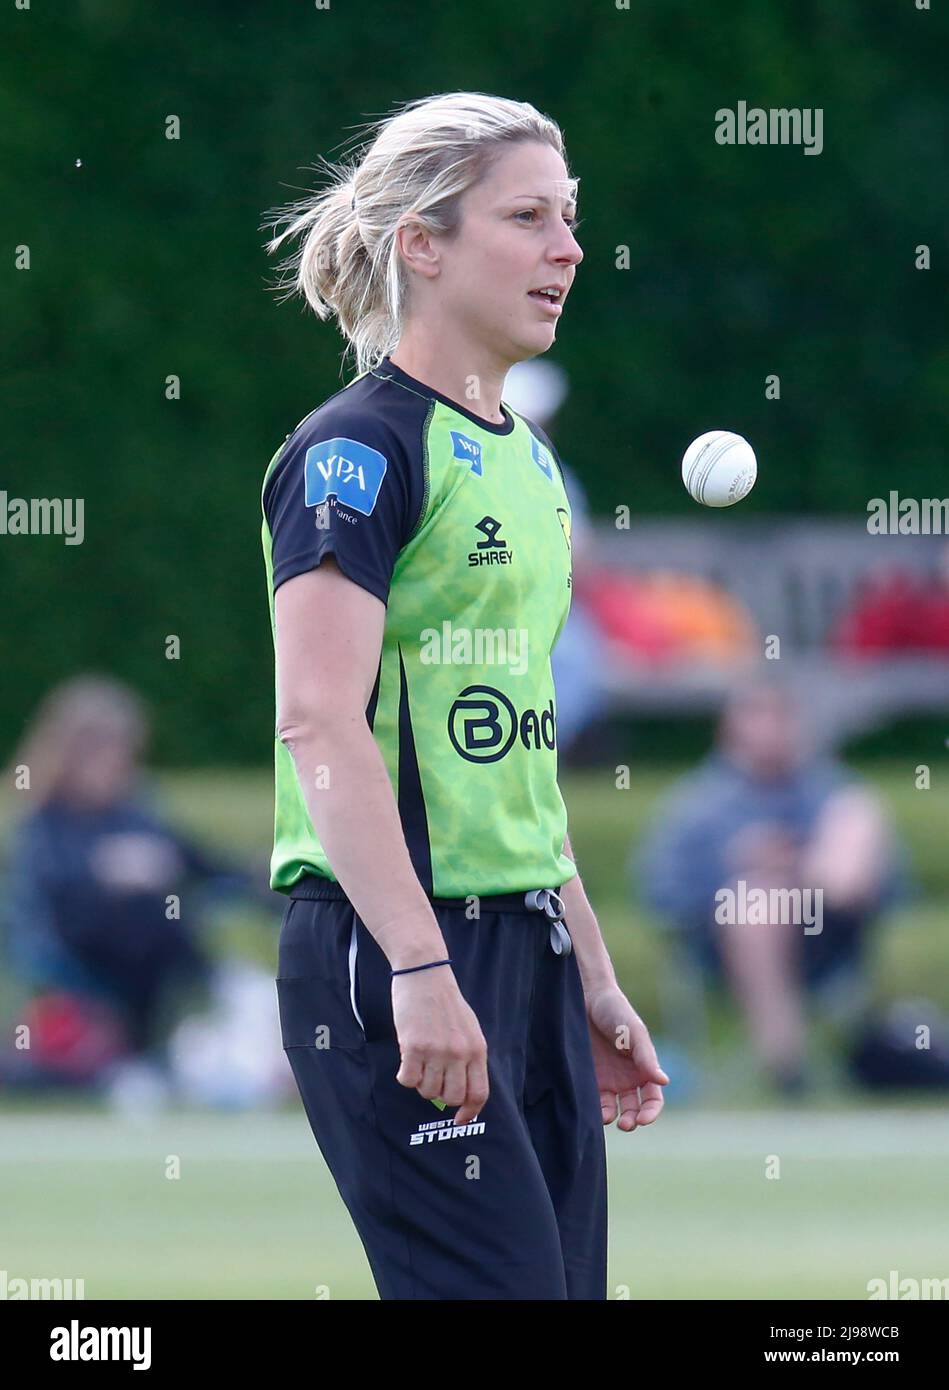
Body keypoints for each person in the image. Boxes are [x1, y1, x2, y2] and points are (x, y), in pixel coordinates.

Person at [261, 91, 667, 1302]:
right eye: (530, 217)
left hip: (524, 954)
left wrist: (587, 972)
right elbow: (317, 720)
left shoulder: (530, 464)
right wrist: (419, 968)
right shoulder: (355, 452)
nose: (569, 249)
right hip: (396, 950)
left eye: (572, 218)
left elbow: (516, 758)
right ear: (423, 246)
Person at [633, 676, 904, 1093]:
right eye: (760, 714)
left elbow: (885, 886)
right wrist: (736, 869)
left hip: (829, 930)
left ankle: (810, 877)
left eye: (784, 715)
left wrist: (795, 870)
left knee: (856, 816)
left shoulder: (833, 792)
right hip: (725, 942)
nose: (774, 727)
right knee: (755, 899)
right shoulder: (698, 806)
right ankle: (786, 1066)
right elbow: (664, 895)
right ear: (731, 728)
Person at [1, 675, 258, 1089]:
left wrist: (251, 877)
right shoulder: (44, 818)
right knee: (140, 910)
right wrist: (103, 873)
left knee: (158, 907)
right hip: (73, 942)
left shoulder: (135, 809)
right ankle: (218, 987)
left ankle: (191, 1024)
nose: (119, 764)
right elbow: (48, 895)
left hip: (144, 944)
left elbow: (192, 859)